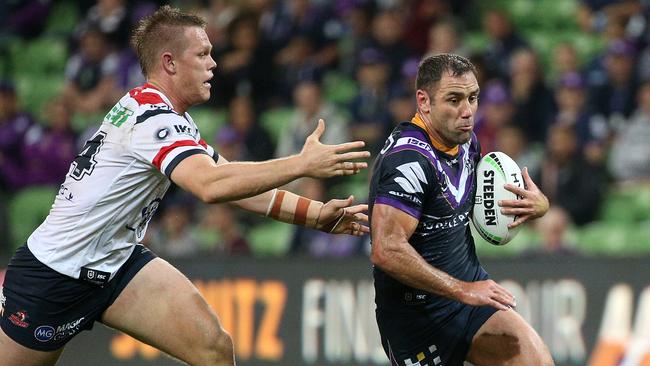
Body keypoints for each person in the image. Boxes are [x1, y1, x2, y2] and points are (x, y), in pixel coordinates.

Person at [0, 6, 370, 366]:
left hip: (116, 262)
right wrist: (301, 164)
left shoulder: (169, 116)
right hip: (54, 275)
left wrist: (316, 214)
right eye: (203, 54)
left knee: (214, 348)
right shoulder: (152, 120)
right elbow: (210, 186)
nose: (213, 64)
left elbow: (234, 180)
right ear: (170, 63)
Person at [368, 54, 554, 366]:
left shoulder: (467, 143)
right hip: (416, 318)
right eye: (454, 100)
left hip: (468, 300)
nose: (467, 111)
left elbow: (476, 204)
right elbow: (386, 250)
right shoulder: (407, 161)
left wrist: (537, 205)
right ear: (424, 102)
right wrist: (461, 289)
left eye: (472, 98)